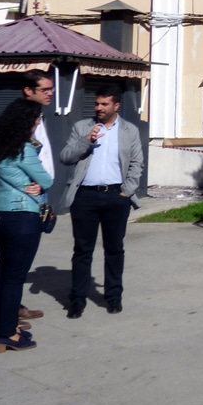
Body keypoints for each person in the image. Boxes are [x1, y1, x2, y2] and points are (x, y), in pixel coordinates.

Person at [58, 83, 144, 318]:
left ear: (116, 105)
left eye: (104, 104)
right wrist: (86, 140)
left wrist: (127, 191)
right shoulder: (82, 127)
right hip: (85, 196)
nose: (99, 108)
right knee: (82, 250)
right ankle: (77, 300)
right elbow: (65, 157)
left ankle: (114, 296)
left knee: (114, 249)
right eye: (97, 103)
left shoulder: (129, 131)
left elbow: (137, 163)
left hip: (116, 196)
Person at [0, 70, 56, 329]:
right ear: (29, 91)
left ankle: (2, 315)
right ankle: (6, 325)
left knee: (8, 268)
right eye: (45, 89)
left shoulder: (3, 140)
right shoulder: (23, 138)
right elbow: (42, 176)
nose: (51, 93)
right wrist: (34, 184)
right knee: (15, 273)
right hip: (23, 208)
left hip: (8, 208)